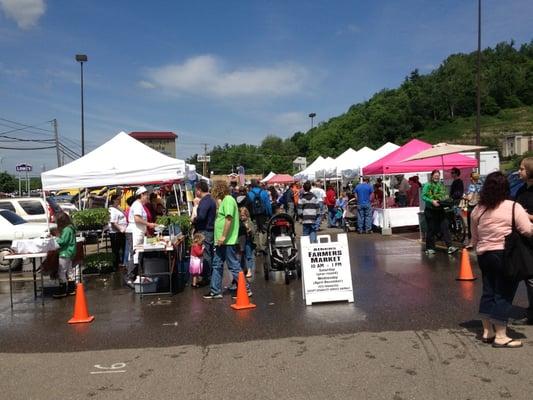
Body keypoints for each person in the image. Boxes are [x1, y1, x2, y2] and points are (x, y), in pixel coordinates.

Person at [471, 171, 533, 348]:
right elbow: (527, 230)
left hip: (484, 255)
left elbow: (474, 236)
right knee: (503, 294)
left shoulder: (478, 209)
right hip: (505, 255)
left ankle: (487, 331)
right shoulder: (513, 206)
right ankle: (501, 336)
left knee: (488, 292)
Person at [204, 180, 249, 299]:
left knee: (233, 265)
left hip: (227, 240)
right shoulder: (225, 200)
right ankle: (215, 290)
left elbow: (228, 219)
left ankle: (246, 289)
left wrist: (223, 236)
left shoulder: (228, 200)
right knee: (217, 264)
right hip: (222, 240)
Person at [511, 157, 533, 325]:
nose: (519, 171)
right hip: (524, 241)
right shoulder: (521, 190)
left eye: (522, 169)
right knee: (528, 277)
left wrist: (526, 216)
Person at [124, 186, 157, 287]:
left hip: (139, 232)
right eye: (146, 195)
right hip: (134, 232)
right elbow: (137, 219)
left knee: (138, 254)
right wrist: (149, 224)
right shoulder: (137, 205)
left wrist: (146, 231)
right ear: (141, 195)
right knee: (134, 254)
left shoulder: (140, 205)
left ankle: (137, 276)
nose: (147, 197)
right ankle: (130, 278)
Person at [422, 170, 458, 255]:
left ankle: (450, 247)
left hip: (440, 210)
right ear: (432, 176)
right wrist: (431, 201)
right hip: (430, 210)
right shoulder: (427, 185)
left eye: (438, 175)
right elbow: (423, 196)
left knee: (445, 227)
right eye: (435, 175)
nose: (437, 177)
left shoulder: (440, 185)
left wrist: (446, 200)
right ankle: (430, 248)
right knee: (431, 229)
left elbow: (444, 195)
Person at [192, 180, 216, 286]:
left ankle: (208, 277)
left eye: (196, 190)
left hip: (205, 230)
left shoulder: (206, 201)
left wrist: (194, 220)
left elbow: (201, 216)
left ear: (199, 190)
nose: (195, 192)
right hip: (208, 229)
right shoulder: (209, 199)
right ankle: (208, 276)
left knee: (206, 254)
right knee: (208, 253)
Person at [52, 212, 77, 298]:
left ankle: (62, 290)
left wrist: (56, 239)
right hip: (70, 252)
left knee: (61, 271)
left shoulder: (66, 229)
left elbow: (63, 241)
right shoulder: (71, 228)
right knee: (70, 271)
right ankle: (71, 289)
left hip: (64, 252)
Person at [248, 179, 272, 255]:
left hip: (254, 215)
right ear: (258, 184)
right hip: (263, 214)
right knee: (264, 230)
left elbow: (248, 206)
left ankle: (257, 248)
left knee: (255, 231)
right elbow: (268, 205)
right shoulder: (264, 193)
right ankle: (263, 247)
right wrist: (269, 214)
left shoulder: (249, 194)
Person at [108, 194, 127, 271]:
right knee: (116, 250)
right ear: (114, 200)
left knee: (120, 249)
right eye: (118, 199)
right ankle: (116, 266)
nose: (120, 201)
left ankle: (120, 264)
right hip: (116, 232)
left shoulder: (118, 208)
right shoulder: (112, 210)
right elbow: (113, 222)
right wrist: (121, 229)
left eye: (120, 199)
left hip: (120, 232)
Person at [465, 172, 482, 247]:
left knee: (471, 226)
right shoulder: (481, 185)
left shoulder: (471, 186)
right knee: (479, 224)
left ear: (471, 178)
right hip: (480, 207)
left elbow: (469, 197)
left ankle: (471, 242)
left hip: (472, 207)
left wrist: (464, 196)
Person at [238, 207, 255, 278]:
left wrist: (250, 230)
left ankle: (249, 270)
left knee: (248, 256)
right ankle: (243, 268)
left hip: (248, 241)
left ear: (247, 215)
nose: (241, 217)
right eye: (240, 215)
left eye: (243, 215)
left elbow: (253, 232)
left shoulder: (249, 222)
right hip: (241, 241)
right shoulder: (239, 223)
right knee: (241, 256)